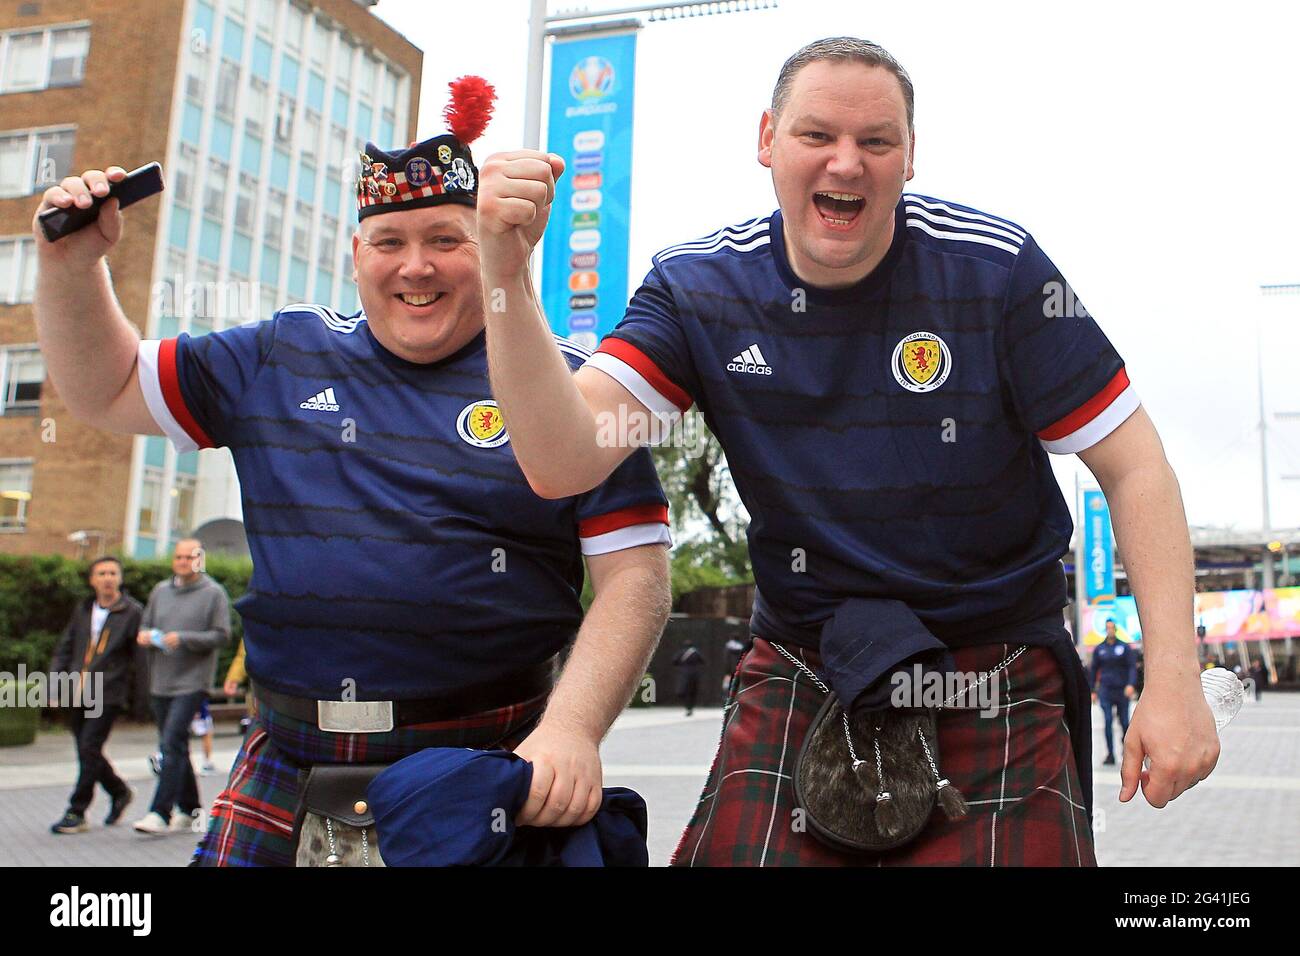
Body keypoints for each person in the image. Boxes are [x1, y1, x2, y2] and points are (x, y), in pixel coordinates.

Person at [477, 37, 1220, 865]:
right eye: (815, 136)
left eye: (876, 142)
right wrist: (503, 270)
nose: (846, 164)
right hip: (806, 658)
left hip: (993, 662)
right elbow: (563, 459)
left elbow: (1134, 464)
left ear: (909, 155)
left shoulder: (996, 269)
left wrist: (1174, 677)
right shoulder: (698, 289)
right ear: (766, 140)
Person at [31, 76, 671, 866]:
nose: (417, 268)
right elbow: (108, 388)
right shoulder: (276, 354)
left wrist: (572, 729)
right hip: (289, 759)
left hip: (490, 761)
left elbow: (635, 577)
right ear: (356, 253)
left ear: (490, 245)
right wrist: (71, 266)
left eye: (446, 240)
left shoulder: (572, 390)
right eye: (391, 243)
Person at [131, 538, 231, 834]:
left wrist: (184, 638)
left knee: (171, 741)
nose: (184, 561)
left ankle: (159, 812)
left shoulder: (214, 594)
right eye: (179, 557)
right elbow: (144, 627)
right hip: (161, 679)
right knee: (174, 744)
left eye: (190, 557)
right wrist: (146, 637)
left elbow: (222, 635)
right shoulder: (160, 591)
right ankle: (190, 808)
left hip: (192, 681)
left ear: (200, 559)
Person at [48, 556, 144, 834]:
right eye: (101, 573)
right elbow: (65, 649)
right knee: (87, 749)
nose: (108, 578)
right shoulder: (83, 610)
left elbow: (140, 660)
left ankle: (76, 811)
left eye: (113, 573)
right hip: (78, 690)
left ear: (120, 578)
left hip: (108, 691)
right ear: (93, 580)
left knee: (89, 746)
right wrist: (55, 686)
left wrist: (140, 702)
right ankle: (119, 790)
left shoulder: (132, 612)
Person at [1090, 619, 1137, 765]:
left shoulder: (1124, 648)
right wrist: (1092, 690)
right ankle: (1110, 754)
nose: (1110, 630)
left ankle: (1127, 749)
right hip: (1106, 689)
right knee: (1108, 721)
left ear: (1115, 630)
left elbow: (1132, 667)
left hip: (1122, 689)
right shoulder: (1100, 649)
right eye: (1107, 628)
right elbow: (1093, 670)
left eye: (1112, 628)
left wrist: (1131, 684)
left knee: (1124, 721)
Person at [672, 642, 705, 715]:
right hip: (695, 674)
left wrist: (681, 666)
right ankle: (690, 707)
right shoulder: (696, 652)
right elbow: (703, 660)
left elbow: (674, 661)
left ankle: (687, 706)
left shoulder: (681, 652)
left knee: (684, 690)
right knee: (692, 691)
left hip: (684, 674)